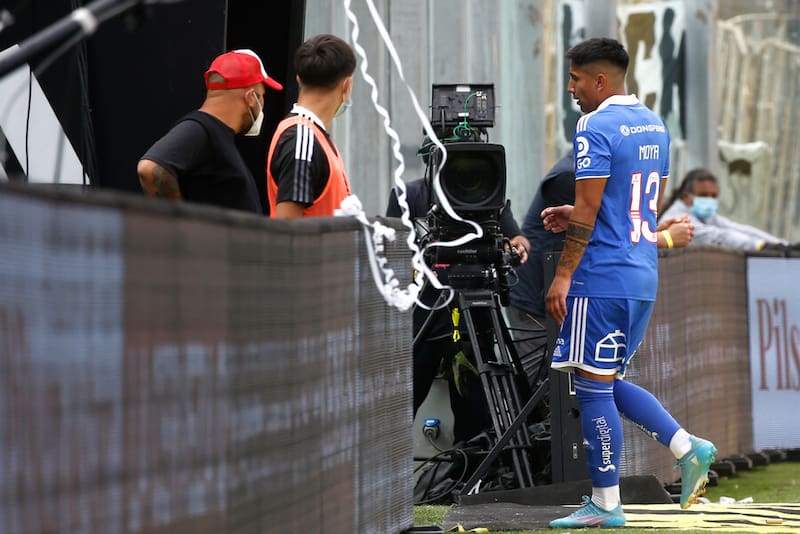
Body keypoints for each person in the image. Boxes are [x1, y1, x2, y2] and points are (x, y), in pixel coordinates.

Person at [544, 38, 716, 529]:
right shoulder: (654, 125)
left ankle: (605, 502)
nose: (572, 89)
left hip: (600, 277)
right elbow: (638, 211)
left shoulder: (593, 125)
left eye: (576, 79)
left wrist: (562, 274)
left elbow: (595, 207)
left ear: (600, 80)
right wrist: (574, 212)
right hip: (641, 274)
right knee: (606, 381)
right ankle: (688, 447)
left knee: (591, 389)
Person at [506, 153, 694, 387]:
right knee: (545, 390)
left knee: (586, 387)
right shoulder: (569, 177)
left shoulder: (599, 172)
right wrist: (661, 238)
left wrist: (649, 229)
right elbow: (597, 237)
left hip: (577, 294)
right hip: (538, 299)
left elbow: (614, 226)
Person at [386, 175, 530, 445]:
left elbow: (516, 238)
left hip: (475, 315)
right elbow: (391, 252)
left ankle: (470, 477)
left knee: (475, 415)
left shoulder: (487, 192)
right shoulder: (410, 195)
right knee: (401, 406)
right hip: (423, 315)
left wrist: (516, 248)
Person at [138, 49, 282, 213]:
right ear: (251, 97)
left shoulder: (216, 133)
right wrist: (178, 225)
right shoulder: (200, 128)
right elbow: (149, 168)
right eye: (262, 96)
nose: (262, 105)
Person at [267, 34, 355, 218]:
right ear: (347, 86)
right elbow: (288, 226)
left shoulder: (312, 135)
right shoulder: (302, 137)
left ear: (298, 79)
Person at [659, 168, 788, 251]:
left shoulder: (707, 217)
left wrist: (781, 245)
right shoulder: (676, 218)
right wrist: (760, 246)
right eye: (704, 195)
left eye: (713, 196)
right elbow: (718, 236)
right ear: (687, 197)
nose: (709, 200)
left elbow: (736, 228)